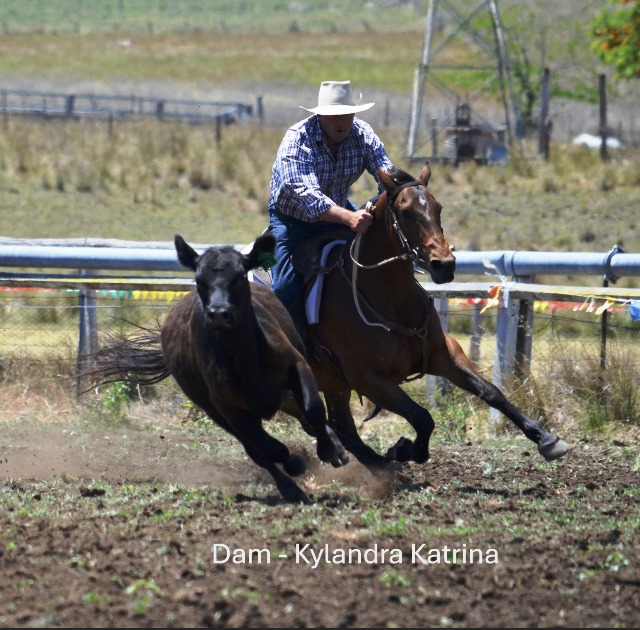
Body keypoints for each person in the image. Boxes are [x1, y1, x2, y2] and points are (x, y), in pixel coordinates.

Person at [267, 80, 395, 320]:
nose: (340, 121)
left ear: (354, 114)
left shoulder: (363, 134)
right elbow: (306, 193)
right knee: (284, 286)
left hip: (340, 212)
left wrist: (394, 194)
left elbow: (386, 173)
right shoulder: (297, 139)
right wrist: (349, 218)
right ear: (320, 116)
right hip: (293, 221)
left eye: (346, 115)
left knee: (380, 259)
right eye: (333, 116)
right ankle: (284, 334)